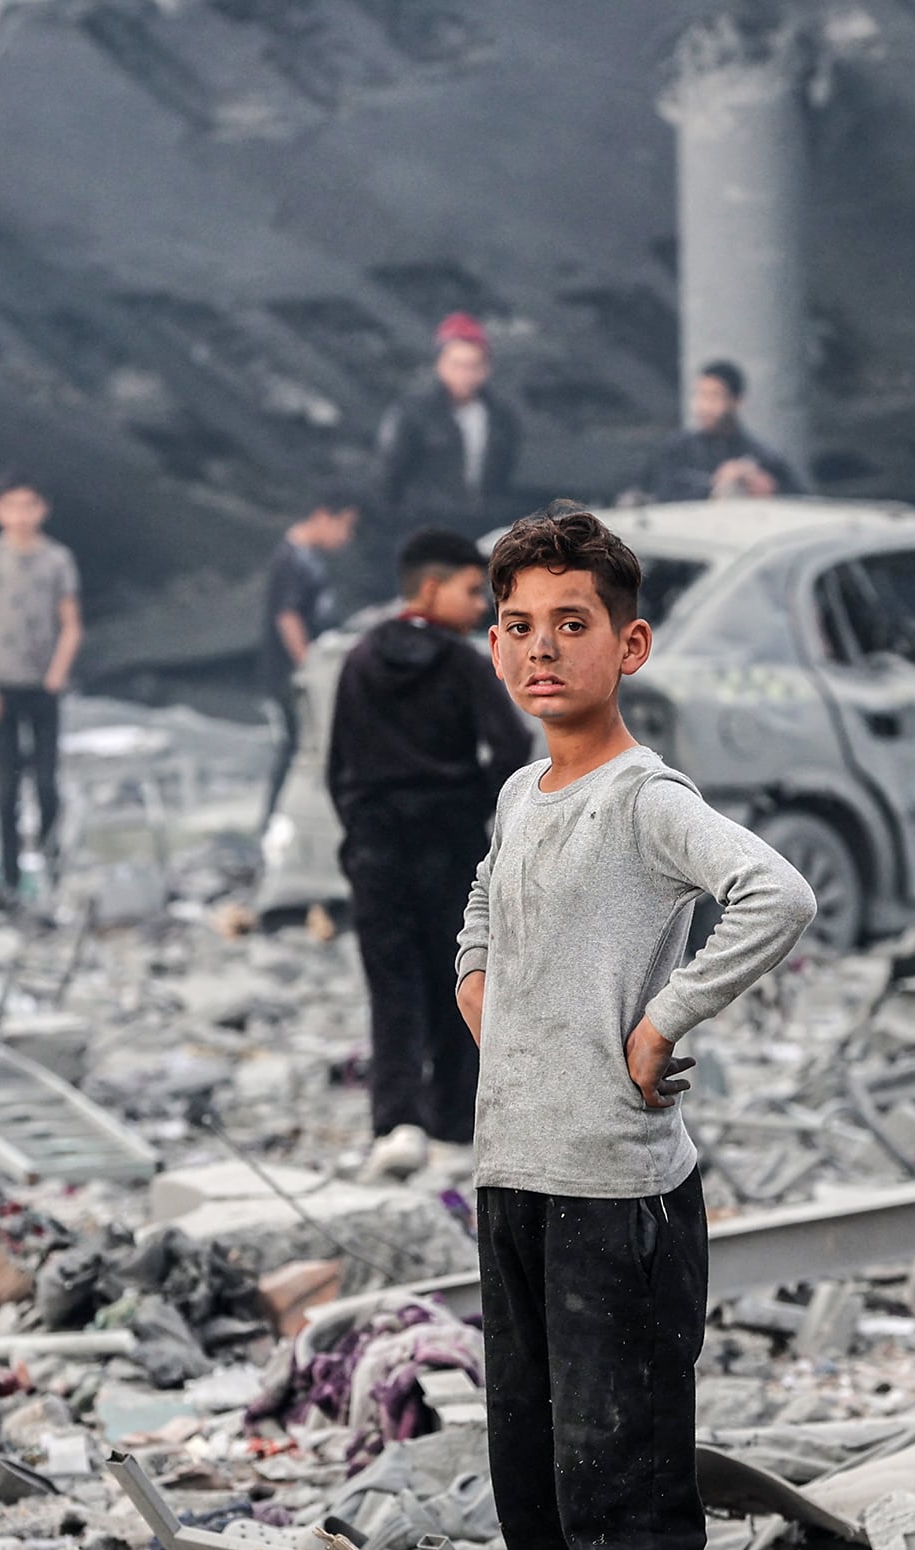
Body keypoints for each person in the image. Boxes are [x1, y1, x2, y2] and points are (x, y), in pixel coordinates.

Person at [455, 510, 814, 1550]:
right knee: (533, 1481)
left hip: (620, 1197)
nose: (540, 650)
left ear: (631, 643)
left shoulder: (645, 798)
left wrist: (662, 1023)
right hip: (516, 1177)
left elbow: (774, 895)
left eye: (572, 624)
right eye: (517, 627)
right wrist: (492, 1000)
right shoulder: (522, 794)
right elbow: (480, 916)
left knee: (622, 1483)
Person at [328, 528, 533, 1179]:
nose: (480, 607)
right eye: (472, 592)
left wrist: (362, 826)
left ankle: (396, 1124)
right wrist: (474, 802)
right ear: (431, 587)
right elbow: (512, 746)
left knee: (392, 985)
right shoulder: (463, 664)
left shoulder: (360, 659)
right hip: (450, 846)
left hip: (377, 848)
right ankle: (452, 1126)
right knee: (459, 978)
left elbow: (338, 765)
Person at [0, 469, 83, 892]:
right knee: (6, 789)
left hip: (43, 688)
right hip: (2, 687)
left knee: (47, 785)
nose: (21, 515)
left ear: (43, 509)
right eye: (11, 505)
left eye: (29, 505)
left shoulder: (57, 560)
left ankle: (52, 867)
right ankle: (10, 877)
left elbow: (71, 624)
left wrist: (57, 675)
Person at [368, 313, 523, 544]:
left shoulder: (501, 417)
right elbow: (388, 476)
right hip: (424, 529)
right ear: (440, 365)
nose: (465, 375)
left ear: (486, 368)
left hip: (480, 527)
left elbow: (504, 474)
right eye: (457, 365)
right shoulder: (412, 413)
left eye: (473, 366)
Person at [259, 490, 359, 826]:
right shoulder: (292, 559)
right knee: (295, 748)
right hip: (292, 678)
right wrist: (308, 669)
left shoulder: (310, 559)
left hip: (304, 674)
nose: (347, 536)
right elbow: (288, 617)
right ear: (322, 515)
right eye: (344, 525)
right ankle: (275, 823)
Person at [637, 360, 805, 502]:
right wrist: (715, 485)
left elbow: (799, 500)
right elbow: (662, 495)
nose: (704, 406)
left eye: (714, 396)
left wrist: (766, 488)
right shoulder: (676, 450)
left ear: (736, 401)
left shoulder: (762, 456)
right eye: (700, 395)